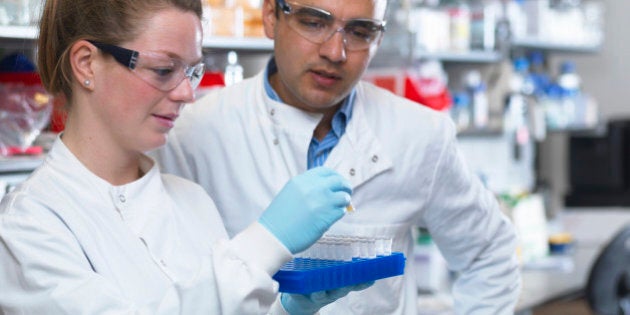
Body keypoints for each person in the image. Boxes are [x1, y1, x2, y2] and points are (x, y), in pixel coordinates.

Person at [0, 0, 370, 314]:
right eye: (163, 70)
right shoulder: (28, 225)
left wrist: (283, 309)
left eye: (192, 72)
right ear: (86, 64)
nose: (187, 95)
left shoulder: (190, 199)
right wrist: (264, 243)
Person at [153, 0, 522, 314]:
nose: (335, 52)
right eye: (314, 22)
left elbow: (489, 255)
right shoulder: (193, 134)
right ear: (270, 16)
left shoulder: (420, 135)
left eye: (361, 32)